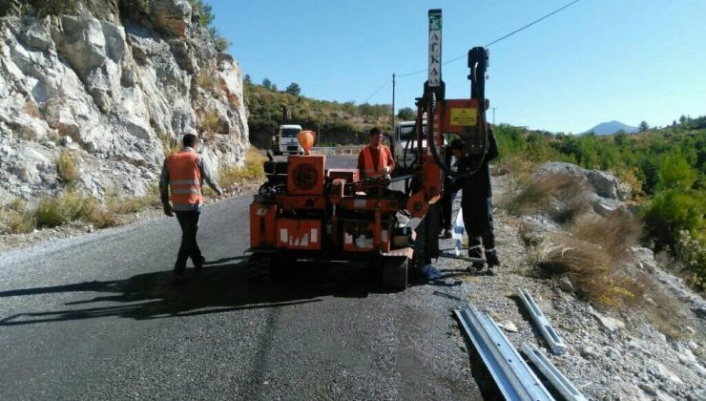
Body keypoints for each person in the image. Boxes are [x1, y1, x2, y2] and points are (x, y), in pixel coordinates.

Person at [160, 133, 223, 281]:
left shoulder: (170, 159)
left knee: (189, 235)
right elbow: (209, 177)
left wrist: (165, 203)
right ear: (195, 145)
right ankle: (178, 270)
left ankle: (198, 260)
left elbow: (163, 184)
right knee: (188, 236)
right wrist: (218, 189)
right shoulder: (197, 158)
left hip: (178, 205)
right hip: (193, 204)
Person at [449, 129, 500, 275]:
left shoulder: (481, 158)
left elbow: (494, 152)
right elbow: (460, 182)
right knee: (472, 231)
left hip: (483, 198)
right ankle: (476, 263)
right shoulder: (463, 162)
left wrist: (489, 132)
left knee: (486, 230)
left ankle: (492, 263)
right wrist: (446, 189)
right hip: (469, 200)